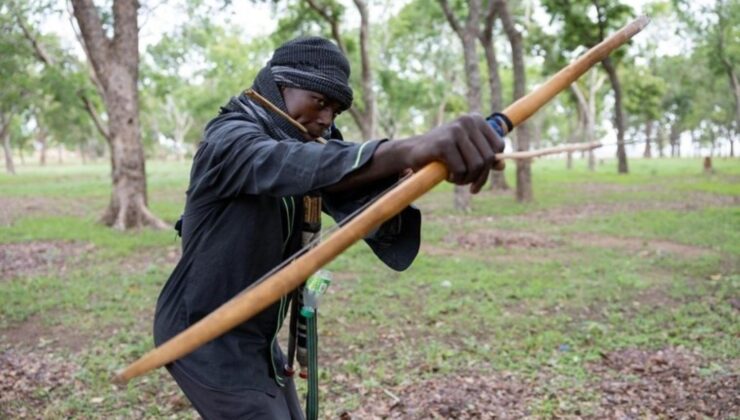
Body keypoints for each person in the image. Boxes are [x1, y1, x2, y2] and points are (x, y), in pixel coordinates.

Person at [153, 36, 504, 419]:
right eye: (319, 102)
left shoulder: (306, 140)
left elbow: (350, 190)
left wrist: (402, 178)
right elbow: (293, 163)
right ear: (279, 86)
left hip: (254, 336)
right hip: (203, 335)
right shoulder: (230, 138)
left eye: (335, 111)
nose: (325, 120)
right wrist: (408, 147)